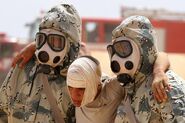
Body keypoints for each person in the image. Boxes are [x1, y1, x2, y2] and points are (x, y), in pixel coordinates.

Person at [0, 3, 81, 123]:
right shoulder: (22, 67)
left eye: (55, 41)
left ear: (70, 44)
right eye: (42, 39)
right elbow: (3, 111)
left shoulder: (81, 81)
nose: (45, 48)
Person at [107, 15, 185, 122]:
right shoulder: (126, 87)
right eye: (115, 50)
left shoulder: (166, 87)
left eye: (124, 49)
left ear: (143, 48)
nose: (115, 58)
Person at [66, 55, 133, 123]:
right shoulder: (66, 93)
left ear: (96, 84)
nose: (73, 96)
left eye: (81, 89)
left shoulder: (114, 89)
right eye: (70, 87)